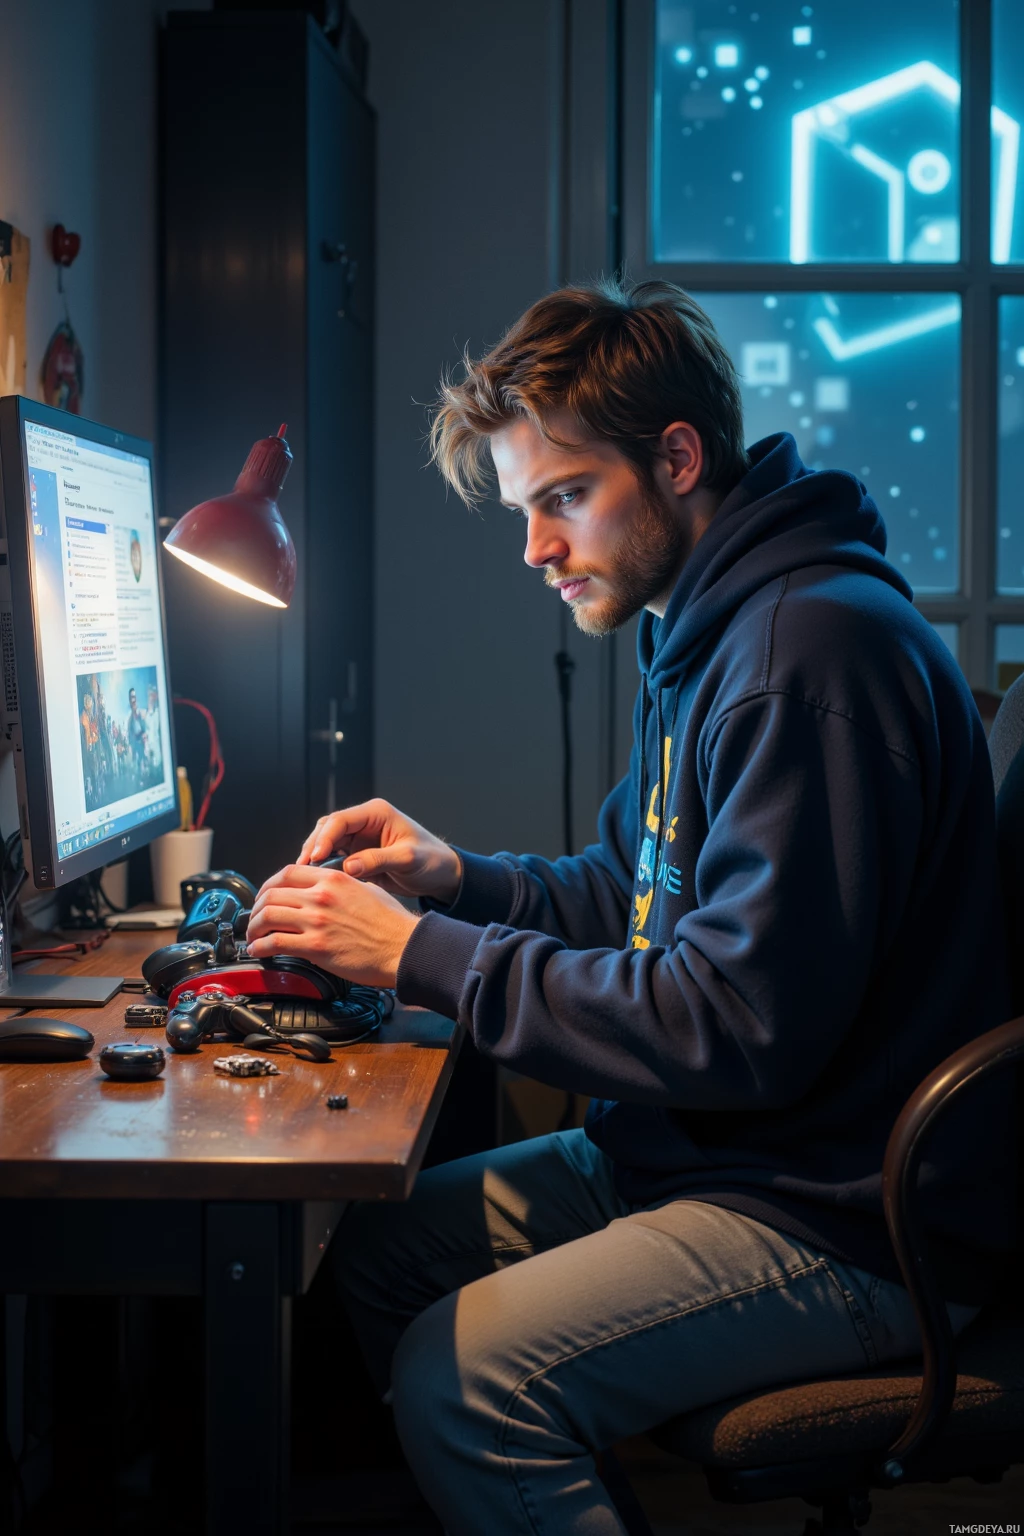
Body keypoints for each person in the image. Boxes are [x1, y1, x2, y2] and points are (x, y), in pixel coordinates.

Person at [245, 279, 1017, 1535]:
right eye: (527, 510)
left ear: (675, 457)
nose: (537, 551)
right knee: (374, 1255)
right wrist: (457, 881)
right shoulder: (711, 626)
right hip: (727, 1156)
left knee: (463, 1378)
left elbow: (731, 1022)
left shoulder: (800, 659)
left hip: (846, 1218)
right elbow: (629, 893)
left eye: (564, 499)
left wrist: (423, 955)